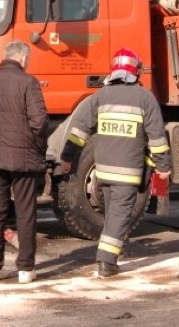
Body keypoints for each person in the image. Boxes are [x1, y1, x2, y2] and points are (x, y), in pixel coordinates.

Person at [60, 47, 172, 277]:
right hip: (128, 171)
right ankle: (107, 262)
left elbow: (78, 131)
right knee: (120, 215)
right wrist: (164, 167)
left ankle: (112, 252)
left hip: (102, 171)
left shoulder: (99, 97)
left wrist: (67, 158)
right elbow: (158, 139)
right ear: (136, 72)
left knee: (112, 214)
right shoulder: (144, 98)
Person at [0, 40, 49, 284]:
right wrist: (37, 145)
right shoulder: (29, 83)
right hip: (24, 159)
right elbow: (40, 121)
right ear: (23, 59)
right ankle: (25, 269)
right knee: (25, 213)